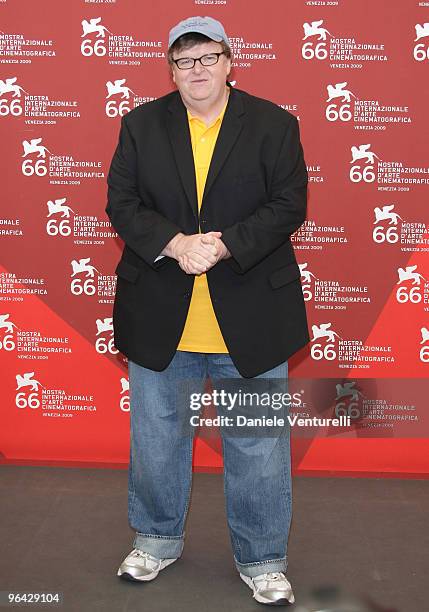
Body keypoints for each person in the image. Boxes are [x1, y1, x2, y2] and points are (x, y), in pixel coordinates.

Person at [106, 15, 310, 606]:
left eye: (206, 58)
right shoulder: (141, 125)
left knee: (258, 446)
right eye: (183, 62)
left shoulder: (274, 124)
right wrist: (175, 244)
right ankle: (155, 542)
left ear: (229, 61)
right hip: (161, 314)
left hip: (249, 319)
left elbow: (288, 203)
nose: (196, 71)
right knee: (157, 440)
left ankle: (264, 558)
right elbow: (122, 202)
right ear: (171, 71)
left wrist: (221, 245)